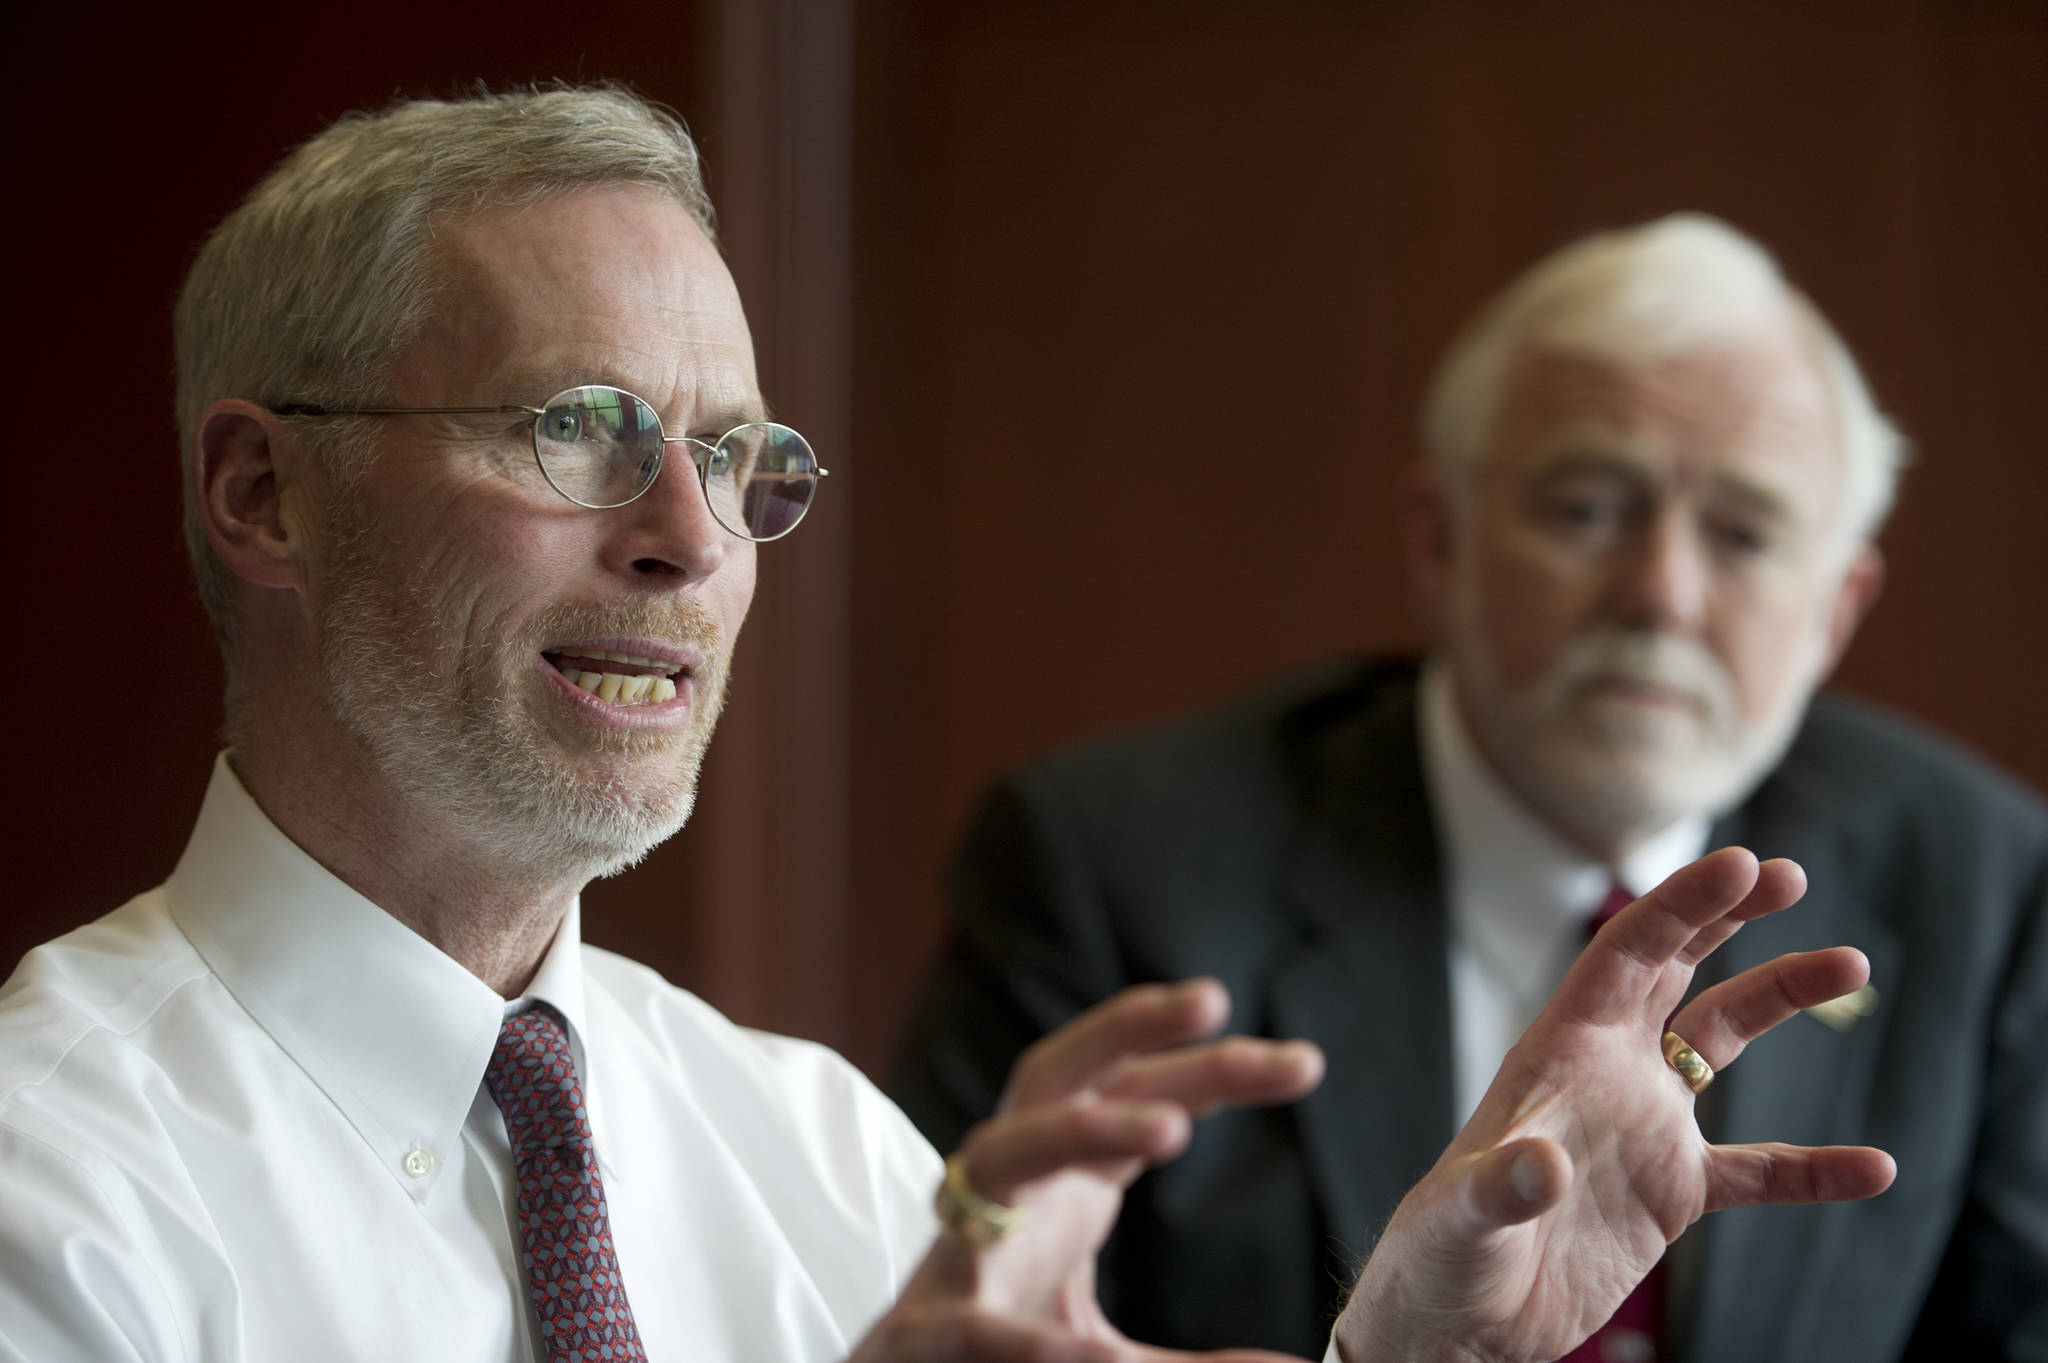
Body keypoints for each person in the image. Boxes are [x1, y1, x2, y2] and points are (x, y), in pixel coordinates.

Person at [0, 91, 1892, 1363]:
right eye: (573, 424)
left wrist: (1399, 1351)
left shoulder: (826, 1146)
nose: (686, 536)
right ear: (263, 494)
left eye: (739, 457)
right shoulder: (52, 1175)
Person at [893, 215, 2048, 1361]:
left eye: (1743, 536)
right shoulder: (1106, 868)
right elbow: (954, 1310)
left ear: (1836, 609)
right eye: (1584, 511)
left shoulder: (1985, 886)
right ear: (1437, 541)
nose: (1658, 595)